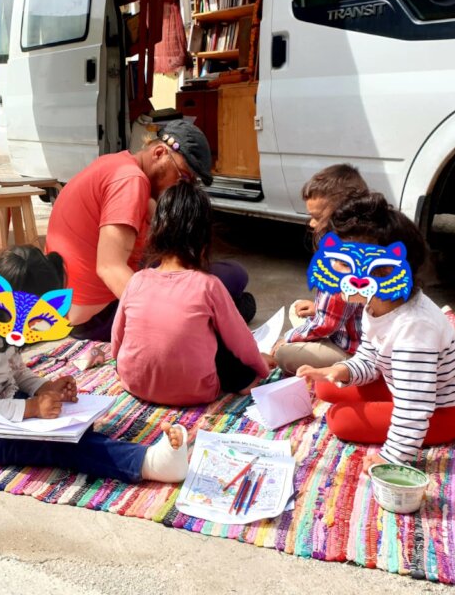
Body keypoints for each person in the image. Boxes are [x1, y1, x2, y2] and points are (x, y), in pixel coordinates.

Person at [0, 246, 192, 484]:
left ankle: (115, 452)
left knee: (72, 423)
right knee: (60, 444)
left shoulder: (2, 326)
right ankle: (149, 463)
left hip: (1, 407)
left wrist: (45, 388)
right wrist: (33, 407)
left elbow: (17, 372)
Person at [296, 194, 455, 474]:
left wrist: (392, 457)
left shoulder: (413, 328)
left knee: (339, 420)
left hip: (442, 413)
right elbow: (370, 357)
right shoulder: (377, 303)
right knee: (326, 385)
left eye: (343, 265)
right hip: (407, 388)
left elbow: (414, 408)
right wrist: (342, 370)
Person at [45, 120, 253, 343]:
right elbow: (109, 267)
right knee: (234, 280)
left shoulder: (118, 165)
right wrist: (162, 321)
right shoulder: (130, 180)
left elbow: (164, 233)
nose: (180, 187)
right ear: (159, 153)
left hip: (69, 309)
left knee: (218, 283)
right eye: (182, 177)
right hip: (96, 317)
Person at [111, 181, 273, 406]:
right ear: (203, 236)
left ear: (156, 230)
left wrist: (120, 367)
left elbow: (117, 339)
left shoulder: (137, 280)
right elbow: (241, 342)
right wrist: (261, 368)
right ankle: (242, 380)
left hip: (134, 383)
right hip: (195, 391)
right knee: (218, 338)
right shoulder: (208, 285)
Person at [272, 164, 369, 374]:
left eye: (317, 217)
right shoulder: (361, 242)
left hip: (355, 351)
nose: (311, 224)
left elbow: (326, 325)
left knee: (283, 354)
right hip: (351, 331)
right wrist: (318, 308)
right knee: (297, 308)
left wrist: (287, 339)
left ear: (342, 215)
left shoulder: (340, 263)